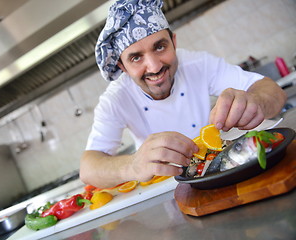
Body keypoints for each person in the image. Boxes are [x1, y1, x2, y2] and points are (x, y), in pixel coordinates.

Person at [79, 0, 286, 188]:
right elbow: (88, 169)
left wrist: (255, 102)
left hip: (214, 172)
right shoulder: (115, 99)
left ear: (174, 42)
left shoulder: (198, 64)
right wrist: (133, 165)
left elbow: (272, 90)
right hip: (160, 190)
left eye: (160, 47)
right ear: (122, 67)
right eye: (135, 58)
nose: (154, 66)